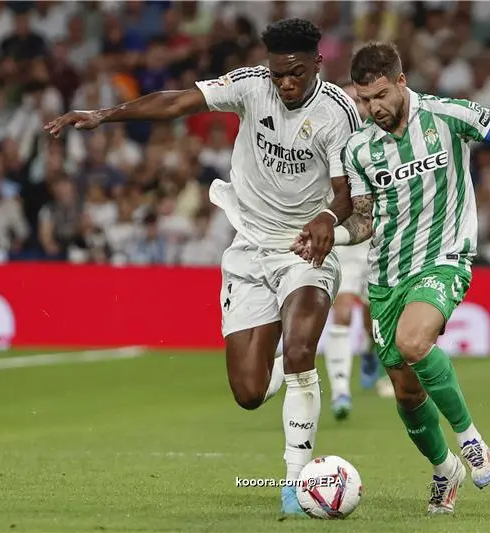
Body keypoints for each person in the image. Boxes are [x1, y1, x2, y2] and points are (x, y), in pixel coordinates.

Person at [44, 18, 362, 518]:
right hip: (249, 247)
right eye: (278, 73)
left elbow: (347, 192)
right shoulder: (250, 86)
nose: (285, 83)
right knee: (249, 393)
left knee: (302, 349)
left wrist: (326, 215)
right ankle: (281, 364)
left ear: (318, 62)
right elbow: (176, 101)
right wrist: (103, 115)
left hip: (304, 249)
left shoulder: (339, 113)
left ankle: (295, 483)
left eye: (295, 73)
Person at [293, 42, 490, 514]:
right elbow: (364, 219)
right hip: (386, 274)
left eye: (380, 96)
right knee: (407, 393)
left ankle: (470, 440)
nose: (372, 108)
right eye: (363, 100)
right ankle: (446, 469)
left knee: (413, 340)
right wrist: (332, 238)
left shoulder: (447, 116)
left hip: (444, 257)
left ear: (401, 81)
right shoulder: (359, 147)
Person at [322, 83, 380, 421]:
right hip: (344, 237)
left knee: (374, 321)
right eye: (350, 101)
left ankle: (371, 353)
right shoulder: (329, 136)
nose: (356, 107)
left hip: (372, 238)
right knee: (342, 311)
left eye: (359, 100)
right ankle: (341, 391)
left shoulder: (377, 137)